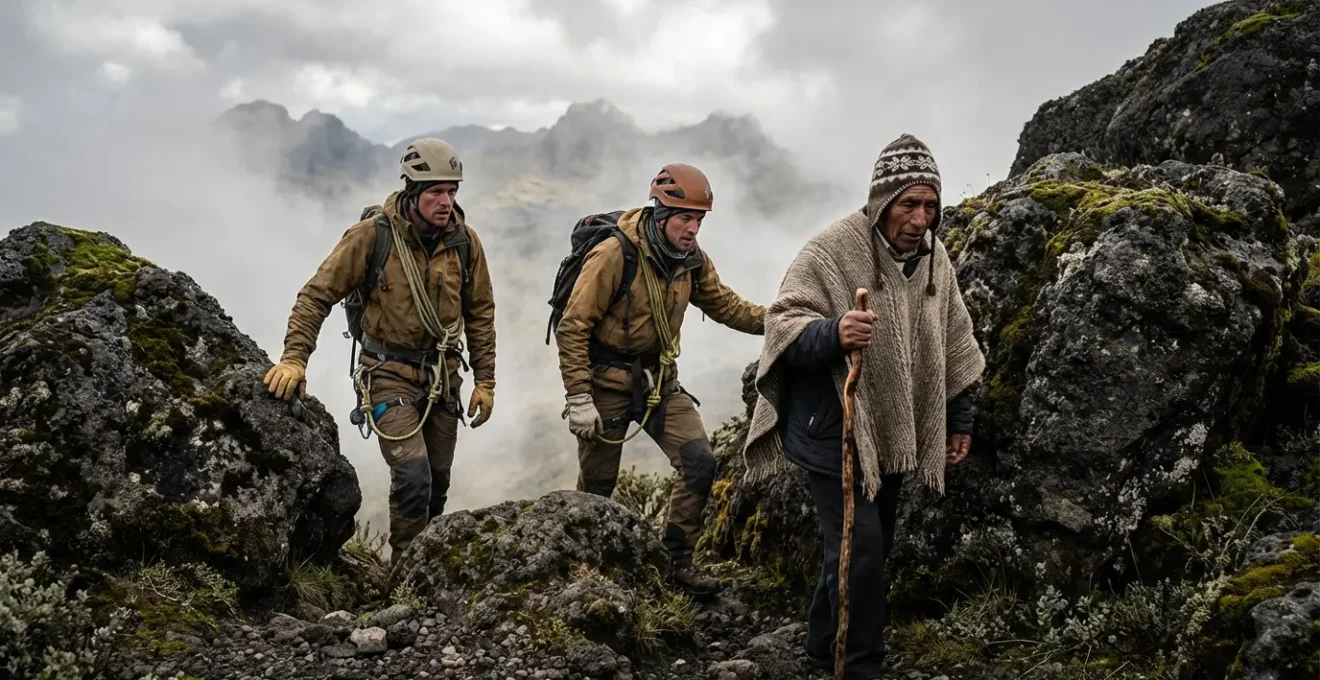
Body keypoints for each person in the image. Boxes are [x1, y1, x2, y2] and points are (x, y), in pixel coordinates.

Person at [741, 134, 985, 678]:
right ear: (881, 203)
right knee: (861, 547)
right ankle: (860, 665)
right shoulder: (831, 250)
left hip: (893, 427)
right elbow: (783, 324)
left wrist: (959, 419)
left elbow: (956, 341)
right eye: (908, 204)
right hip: (834, 425)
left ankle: (821, 645)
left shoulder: (932, 258)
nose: (920, 219)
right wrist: (833, 332)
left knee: (864, 545)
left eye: (930, 206)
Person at [262, 137, 497, 560]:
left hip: (443, 377)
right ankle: (404, 575)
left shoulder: (465, 243)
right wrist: (295, 359)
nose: (447, 201)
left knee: (438, 483)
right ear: (412, 191)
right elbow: (316, 295)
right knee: (412, 475)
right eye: (436, 192)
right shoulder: (372, 237)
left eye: (452, 191)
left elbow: (480, 312)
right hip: (387, 372)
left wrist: (486, 381)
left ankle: (423, 568)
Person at [554, 163, 766, 595]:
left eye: (699, 220)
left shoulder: (690, 260)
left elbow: (727, 306)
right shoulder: (615, 254)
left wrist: (783, 320)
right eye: (685, 219)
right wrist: (579, 396)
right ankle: (585, 575)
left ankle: (677, 563)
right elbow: (573, 326)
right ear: (662, 212)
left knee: (700, 463)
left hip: (660, 384)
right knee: (597, 489)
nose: (693, 229)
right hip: (606, 386)